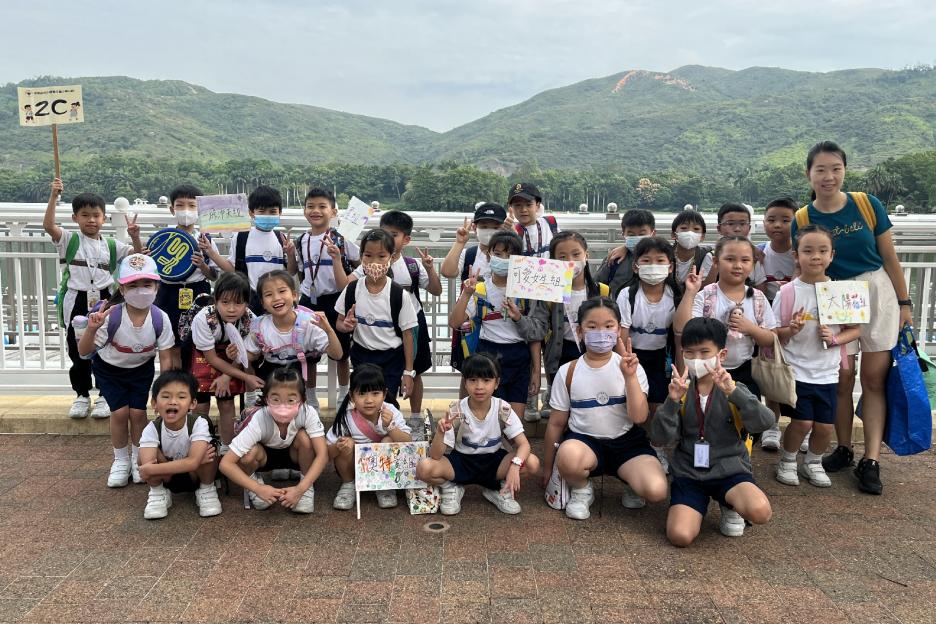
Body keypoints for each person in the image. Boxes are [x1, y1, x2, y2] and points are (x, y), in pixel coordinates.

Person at [793, 140, 911, 495]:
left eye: (836, 169)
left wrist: (905, 303)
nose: (828, 176)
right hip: (835, 295)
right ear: (809, 174)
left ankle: (871, 460)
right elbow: (802, 265)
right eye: (820, 170)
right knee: (842, 377)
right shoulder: (803, 218)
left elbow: (889, 257)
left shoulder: (866, 204)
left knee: (873, 378)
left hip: (875, 291)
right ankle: (843, 448)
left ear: (844, 170)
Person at [652, 317, 774, 546]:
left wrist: (734, 393)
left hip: (730, 470)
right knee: (680, 536)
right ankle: (699, 505)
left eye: (704, 352)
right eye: (690, 353)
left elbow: (765, 421)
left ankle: (730, 505)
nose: (697, 359)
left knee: (760, 511)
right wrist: (671, 402)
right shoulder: (681, 389)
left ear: (722, 354)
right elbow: (659, 437)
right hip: (690, 473)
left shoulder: (734, 388)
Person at [543, 297, 668, 520]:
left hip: (626, 443)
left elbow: (639, 417)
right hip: (584, 442)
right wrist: (548, 467)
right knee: (568, 456)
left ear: (619, 329)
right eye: (592, 327)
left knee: (656, 490)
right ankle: (582, 488)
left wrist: (630, 377)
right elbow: (556, 423)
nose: (601, 333)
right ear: (580, 331)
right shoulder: (568, 371)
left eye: (609, 326)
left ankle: (631, 483)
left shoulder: (632, 367)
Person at [44, 178, 142, 419]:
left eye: (96, 215)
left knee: (106, 347)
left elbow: (137, 258)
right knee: (78, 350)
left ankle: (105, 395)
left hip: (105, 300)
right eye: (85, 215)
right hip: (77, 300)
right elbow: (48, 226)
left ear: (104, 218)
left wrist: (135, 236)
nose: (91, 220)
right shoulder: (69, 240)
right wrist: (54, 196)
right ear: (75, 218)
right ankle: (81, 395)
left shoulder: (111, 245)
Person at [773, 225, 860, 488]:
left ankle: (813, 461)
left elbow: (855, 329)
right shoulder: (787, 292)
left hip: (828, 372)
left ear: (832, 255)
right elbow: (773, 332)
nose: (816, 256)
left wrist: (834, 339)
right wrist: (791, 329)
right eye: (808, 251)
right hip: (796, 369)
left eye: (823, 251)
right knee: (801, 422)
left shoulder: (840, 292)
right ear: (796, 256)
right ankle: (788, 460)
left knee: (824, 426)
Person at [77, 254, 174, 487]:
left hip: (141, 370)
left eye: (147, 284)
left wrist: (164, 393)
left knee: (139, 414)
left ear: (157, 287)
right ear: (122, 289)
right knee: (120, 413)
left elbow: (166, 357)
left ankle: (140, 459)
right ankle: (120, 460)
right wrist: (91, 329)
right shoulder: (111, 316)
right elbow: (84, 352)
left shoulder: (160, 319)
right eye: (133, 285)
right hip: (109, 370)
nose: (141, 290)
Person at [349, 210, 442, 432]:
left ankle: (415, 417)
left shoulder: (411, 265)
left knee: (415, 371)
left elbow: (436, 290)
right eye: (383, 232)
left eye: (394, 234)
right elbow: (347, 284)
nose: (387, 238)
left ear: (406, 239)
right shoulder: (369, 264)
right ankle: (374, 422)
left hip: (412, 323)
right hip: (383, 325)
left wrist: (429, 268)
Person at [416, 353, 540, 515]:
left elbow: (524, 444)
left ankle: (499, 489)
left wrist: (515, 466)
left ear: (497, 383)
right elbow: (435, 456)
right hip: (462, 461)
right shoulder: (456, 410)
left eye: (486, 380)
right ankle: (451, 488)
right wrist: (440, 433)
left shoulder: (503, 409)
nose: (479, 386)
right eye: (473, 380)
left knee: (531, 462)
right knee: (424, 468)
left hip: (494, 462)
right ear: (465, 383)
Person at [448, 231, 546, 420]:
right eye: (498, 254)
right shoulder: (479, 289)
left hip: (519, 357)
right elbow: (455, 322)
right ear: (488, 255)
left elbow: (534, 335)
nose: (503, 259)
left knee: (514, 420)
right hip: (488, 356)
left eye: (510, 255)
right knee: (489, 417)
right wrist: (466, 294)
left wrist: (536, 371)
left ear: (519, 259)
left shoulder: (528, 291)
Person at [675, 237, 777, 400]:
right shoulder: (706, 295)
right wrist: (690, 292)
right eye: (730, 259)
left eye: (745, 260)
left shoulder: (757, 298)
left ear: (753, 264)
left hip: (744, 371)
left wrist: (750, 328)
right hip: (707, 371)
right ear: (716, 262)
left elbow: (771, 339)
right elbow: (682, 329)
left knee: (746, 411)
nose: (738, 265)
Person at [219, 367, 327, 513]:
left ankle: (306, 488)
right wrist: (257, 488)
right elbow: (225, 463)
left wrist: (301, 489)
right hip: (264, 457)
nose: (283, 406)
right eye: (276, 399)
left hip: (294, 455)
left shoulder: (308, 413)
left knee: (305, 439)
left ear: (302, 400)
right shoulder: (259, 419)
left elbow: (322, 455)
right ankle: (254, 482)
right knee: (248, 454)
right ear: (266, 399)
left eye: (291, 400)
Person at [617, 237, 684, 470]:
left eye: (660, 260)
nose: (653, 266)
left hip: (661, 357)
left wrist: (680, 370)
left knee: (658, 406)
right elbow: (622, 334)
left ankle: (657, 448)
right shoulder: (627, 294)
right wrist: (625, 363)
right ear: (636, 266)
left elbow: (679, 337)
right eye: (646, 260)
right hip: (633, 357)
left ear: (670, 266)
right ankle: (635, 445)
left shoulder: (676, 295)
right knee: (634, 403)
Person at [531, 231, 609, 422]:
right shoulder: (549, 291)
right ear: (553, 261)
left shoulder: (602, 290)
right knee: (561, 406)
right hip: (560, 353)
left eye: (576, 254)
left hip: (592, 351)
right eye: (562, 257)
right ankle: (551, 396)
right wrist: (536, 371)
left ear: (586, 255)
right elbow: (537, 331)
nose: (570, 261)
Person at [293, 188, 359, 406]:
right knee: (309, 351)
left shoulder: (342, 238)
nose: (316, 211)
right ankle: (310, 396)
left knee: (341, 351)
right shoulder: (300, 240)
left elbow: (360, 264)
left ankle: (344, 394)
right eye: (310, 206)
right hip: (309, 301)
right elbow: (301, 271)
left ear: (333, 212)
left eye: (322, 206)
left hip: (337, 300)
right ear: (304, 211)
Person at [336, 229, 418, 404]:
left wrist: (408, 372)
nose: (374, 262)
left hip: (391, 358)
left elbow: (408, 335)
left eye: (381, 256)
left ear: (391, 258)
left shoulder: (398, 294)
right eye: (368, 255)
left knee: (387, 403)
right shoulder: (352, 289)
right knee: (363, 401)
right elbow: (339, 323)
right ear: (361, 257)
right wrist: (346, 325)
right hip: (361, 356)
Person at [187, 271, 262, 451]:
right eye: (225, 302)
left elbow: (245, 353)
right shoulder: (204, 318)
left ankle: (227, 448)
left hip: (233, 358)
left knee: (227, 403)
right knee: (200, 404)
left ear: (247, 303)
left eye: (238, 303)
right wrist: (245, 377)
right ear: (216, 300)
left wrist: (227, 377)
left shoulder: (250, 320)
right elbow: (211, 357)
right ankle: (201, 446)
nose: (231, 309)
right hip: (204, 354)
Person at [138, 370, 222, 519]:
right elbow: (146, 463)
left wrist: (151, 469)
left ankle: (207, 489)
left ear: (192, 403)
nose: (173, 401)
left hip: (196, 475)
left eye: (181, 397)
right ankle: (158, 493)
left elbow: (148, 469)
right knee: (143, 455)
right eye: (166, 396)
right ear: (154, 403)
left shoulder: (198, 423)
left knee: (209, 451)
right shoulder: (152, 429)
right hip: (167, 477)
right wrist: (193, 461)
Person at [327, 364, 412, 511]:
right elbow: (326, 452)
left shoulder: (391, 411)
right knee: (347, 442)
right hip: (355, 470)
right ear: (351, 396)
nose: (369, 400)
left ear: (384, 394)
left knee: (388, 440)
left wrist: (391, 426)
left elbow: (408, 442)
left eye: (375, 393)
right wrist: (339, 446)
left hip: (385, 470)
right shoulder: (346, 418)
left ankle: (384, 485)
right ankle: (348, 484)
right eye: (362, 394)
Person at [153, 184, 219, 370]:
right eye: (180, 205)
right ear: (172, 209)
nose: (186, 210)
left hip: (197, 292)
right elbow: (153, 269)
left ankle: (192, 380)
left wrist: (202, 265)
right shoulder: (163, 237)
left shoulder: (205, 239)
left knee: (196, 340)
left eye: (192, 205)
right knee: (171, 341)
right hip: (168, 292)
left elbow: (213, 276)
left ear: (200, 210)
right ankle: (173, 379)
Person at [440, 202, 508, 376]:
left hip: (501, 322)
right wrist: (459, 242)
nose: (489, 231)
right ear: (474, 227)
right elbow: (447, 271)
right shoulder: (470, 254)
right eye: (484, 226)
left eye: (495, 227)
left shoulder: (511, 256)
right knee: (469, 373)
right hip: (469, 321)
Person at [245, 270, 342, 388]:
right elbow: (248, 356)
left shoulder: (309, 323)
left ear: (294, 295)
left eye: (282, 291)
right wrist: (236, 354)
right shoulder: (259, 327)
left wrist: (329, 331)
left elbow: (337, 354)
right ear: (263, 303)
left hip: (299, 379)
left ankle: (307, 397)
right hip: (270, 380)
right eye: (269, 294)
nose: (276, 298)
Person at [212, 185, 297, 315]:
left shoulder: (281, 238)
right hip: (249, 297)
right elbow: (232, 268)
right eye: (261, 211)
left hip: (275, 299)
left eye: (272, 212)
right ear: (251, 213)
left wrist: (290, 254)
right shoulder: (241, 237)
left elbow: (290, 272)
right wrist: (210, 252)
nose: (267, 215)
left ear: (280, 212)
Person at [757, 197, 798, 451]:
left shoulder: (802, 251)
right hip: (768, 313)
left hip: (796, 314)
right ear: (763, 223)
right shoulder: (759, 252)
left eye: (785, 220)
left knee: (797, 369)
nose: (778, 225)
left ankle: (800, 426)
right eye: (771, 220)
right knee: (772, 367)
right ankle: (771, 425)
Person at [700, 203, 767, 291]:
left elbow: (761, 286)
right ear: (719, 229)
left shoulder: (754, 256)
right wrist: (716, 265)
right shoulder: (711, 256)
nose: (737, 229)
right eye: (730, 224)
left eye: (742, 224)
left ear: (749, 228)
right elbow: (703, 290)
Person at [595, 209, 655, 297]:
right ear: (623, 234)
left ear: (653, 233)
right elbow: (597, 285)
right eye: (631, 235)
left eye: (642, 234)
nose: (637, 238)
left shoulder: (662, 259)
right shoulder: (615, 259)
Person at [507, 182, 559, 258]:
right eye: (518, 205)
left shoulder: (550, 224)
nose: (523, 210)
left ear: (537, 205)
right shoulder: (512, 231)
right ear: (511, 207)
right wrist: (512, 237)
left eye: (528, 205)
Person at [670, 209, 711, 286]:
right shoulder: (665, 254)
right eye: (684, 228)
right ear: (674, 234)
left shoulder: (706, 256)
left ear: (702, 236)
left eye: (696, 229)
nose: (690, 232)